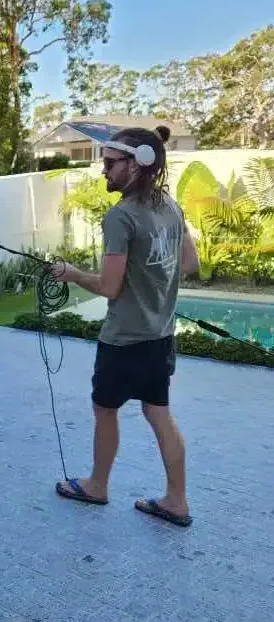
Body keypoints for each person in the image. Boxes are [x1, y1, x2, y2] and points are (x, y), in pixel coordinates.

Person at [53, 125, 200, 527]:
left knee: (104, 410)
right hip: (160, 336)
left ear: (137, 166)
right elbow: (189, 264)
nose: (104, 171)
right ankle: (177, 501)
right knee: (159, 414)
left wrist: (71, 273)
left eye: (110, 164)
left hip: (122, 341)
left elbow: (109, 287)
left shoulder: (120, 216)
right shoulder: (170, 206)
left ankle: (97, 486)